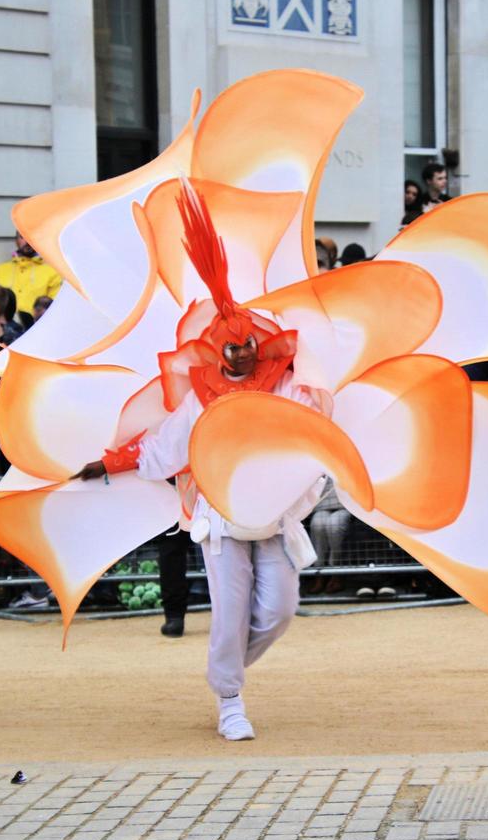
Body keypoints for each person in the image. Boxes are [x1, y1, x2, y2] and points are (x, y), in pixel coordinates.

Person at [75, 187, 326, 742]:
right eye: (230, 347)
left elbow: (313, 433)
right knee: (230, 610)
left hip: (275, 515)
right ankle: (230, 699)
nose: (240, 354)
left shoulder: (287, 388)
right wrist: (110, 462)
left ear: (261, 344)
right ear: (218, 351)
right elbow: (166, 447)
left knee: (280, 611)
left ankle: (224, 674)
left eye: (247, 344)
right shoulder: (202, 398)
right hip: (219, 516)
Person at [0, 231, 63, 302]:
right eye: (22, 236)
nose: (27, 241)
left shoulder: (52, 272)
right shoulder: (0, 271)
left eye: (31, 236)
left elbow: (55, 307)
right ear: (16, 240)